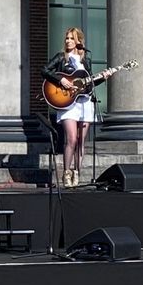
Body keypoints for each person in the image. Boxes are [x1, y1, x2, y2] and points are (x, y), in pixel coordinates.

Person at [42, 27, 96, 188]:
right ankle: (66, 172)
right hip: (68, 103)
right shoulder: (61, 58)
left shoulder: (86, 61)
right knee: (71, 139)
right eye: (67, 38)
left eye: (72, 38)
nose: (68, 41)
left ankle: (77, 172)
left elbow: (89, 84)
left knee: (80, 141)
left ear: (79, 41)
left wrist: (103, 77)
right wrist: (60, 80)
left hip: (84, 102)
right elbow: (44, 70)